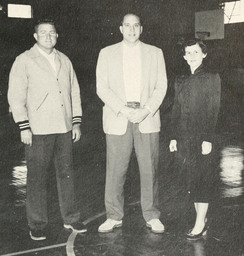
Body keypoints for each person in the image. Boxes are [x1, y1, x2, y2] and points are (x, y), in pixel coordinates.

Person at [8, 19, 87, 240]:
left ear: (57, 36)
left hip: (63, 127)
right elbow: (15, 96)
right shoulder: (24, 60)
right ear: (35, 37)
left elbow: (74, 92)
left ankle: (71, 218)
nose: (48, 36)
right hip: (37, 129)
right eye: (43, 33)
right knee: (37, 178)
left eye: (52, 33)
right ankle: (37, 223)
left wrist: (76, 122)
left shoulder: (64, 60)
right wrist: (24, 126)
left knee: (66, 174)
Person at [96, 13, 167, 233]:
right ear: (120, 29)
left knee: (149, 169)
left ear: (141, 29)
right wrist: (124, 109)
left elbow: (161, 86)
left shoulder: (155, 53)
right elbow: (102, 88)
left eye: (136, 25)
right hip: (118, 117)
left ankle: (152, 215)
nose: (132, 30)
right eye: (127, 26)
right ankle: (114, 216)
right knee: (115, 170)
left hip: (147, 117)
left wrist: (146, 110)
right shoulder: (106, 53)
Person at [169, 39, 221, 240]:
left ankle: (199, 223)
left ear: (204, 54)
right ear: (183, 56)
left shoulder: (211, 77)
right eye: (188, 53)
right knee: (192, 180)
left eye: (196, 52)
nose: (191, 56)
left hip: (202, 138)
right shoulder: (180, 79)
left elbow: (213, 109)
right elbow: (175, 109)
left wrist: (208, 138)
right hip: (183, 138)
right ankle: (202, 218)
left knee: (203, 180)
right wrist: (173, 136)